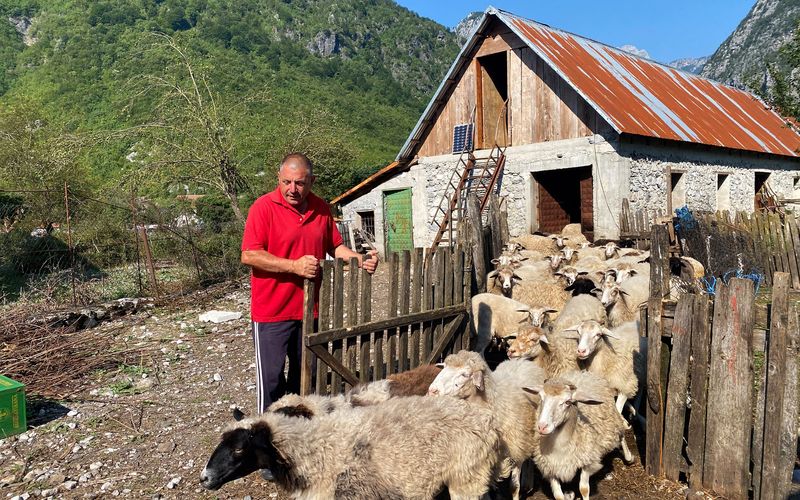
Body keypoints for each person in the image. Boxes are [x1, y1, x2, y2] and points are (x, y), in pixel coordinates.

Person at [240, 152, 378, 414]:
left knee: (306, 375)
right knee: (271, 379)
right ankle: (267, 433)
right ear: (278, 178)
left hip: (309, 310)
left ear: (311, 181)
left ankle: (297, 429)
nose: (293, 189)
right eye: (287, 182)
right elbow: (249, 254)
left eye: (300, 183)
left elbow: (335, 246)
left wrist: (358, 259)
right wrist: (293, 266)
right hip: (272, 311)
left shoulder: (321, 208)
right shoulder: (263, 207)